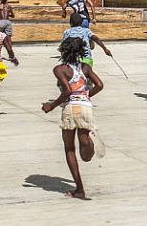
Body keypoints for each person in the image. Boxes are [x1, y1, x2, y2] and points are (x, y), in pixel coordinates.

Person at [42, 37, 105, 200]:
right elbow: (99, 85)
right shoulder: (85, 67)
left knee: (69, 148)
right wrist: (85, 96)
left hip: (71, 108)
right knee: (85, 152)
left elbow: (67, 91)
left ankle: (80, 189)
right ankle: (88, 140)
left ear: (63, 50)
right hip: (86, 107)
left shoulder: (60, 69)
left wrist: (51, 106)